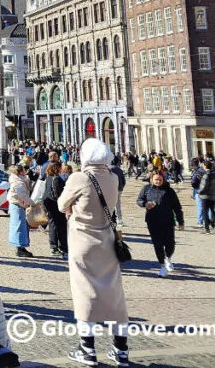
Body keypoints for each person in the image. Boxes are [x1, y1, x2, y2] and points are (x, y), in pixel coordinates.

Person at [58, 138, 130, 368]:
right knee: (114, 293)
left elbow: (61, 204)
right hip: (107, 240)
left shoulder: (79, 178)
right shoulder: (113, 177)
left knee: (84, 293)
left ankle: (87, 349)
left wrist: (72, 209)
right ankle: (121, 349)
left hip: (83, 241)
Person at [136, 169, 184, 277]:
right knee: (157, 244)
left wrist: (181, 222)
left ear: (163, 179)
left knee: (170, 244)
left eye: (160, 179)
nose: (158, 181)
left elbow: (177, 207)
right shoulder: (146, 189)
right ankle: (162, 266)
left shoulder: (169, 191)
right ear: (152, 179)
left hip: (168, 221)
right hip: (152, 221)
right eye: (156, 179)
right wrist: (145, 204)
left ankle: (168, 258)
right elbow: (139, 200)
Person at [6, 165, 34, 258]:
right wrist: (32, 203)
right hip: (18, 205)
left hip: (18, 204)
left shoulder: (19, 180)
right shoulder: (18, 182)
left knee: (20, 226)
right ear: (21, 172)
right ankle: (20, 248)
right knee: (19, 227)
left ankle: (21, 246)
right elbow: (22, 195)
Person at [43, 161, 69, 258]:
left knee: (53, 225)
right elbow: (59, 194)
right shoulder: (57, 179)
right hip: (54, 204)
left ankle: (54, 246)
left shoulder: (49, 177)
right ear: (57, 168)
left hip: (48, 203)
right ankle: (62, 248)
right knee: (60, 226)